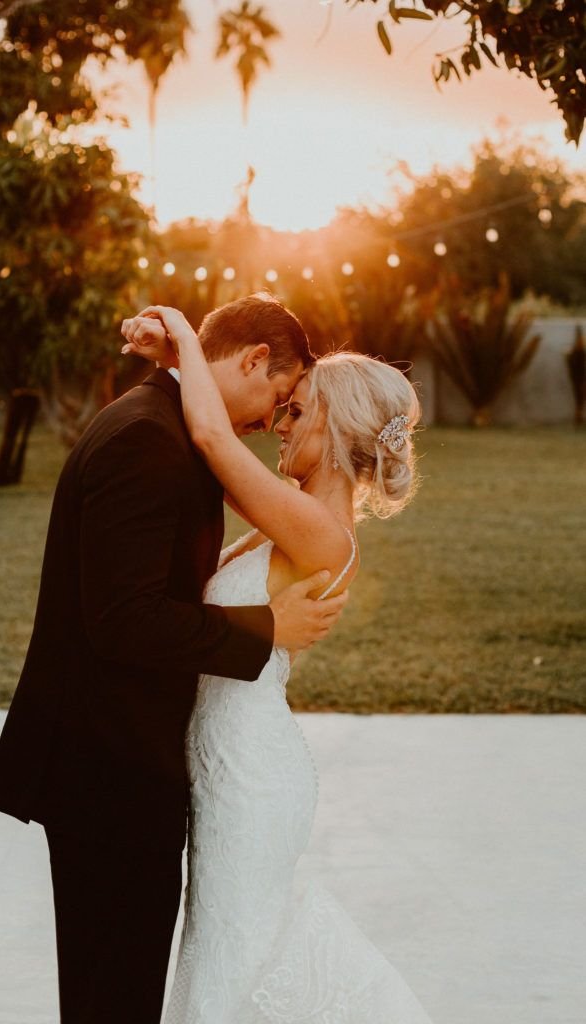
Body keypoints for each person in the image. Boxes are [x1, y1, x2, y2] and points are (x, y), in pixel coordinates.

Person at [0, 294, 349, 1024]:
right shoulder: (145, 438)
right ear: (250, 361)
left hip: (130, 762)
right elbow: (121, 620)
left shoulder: (163, 424)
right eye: (276, 398)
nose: (268, 422)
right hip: (108, 766)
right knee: (113, 994)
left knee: (116, 987)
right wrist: (263, 629)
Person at [121, 304, 433, 1024]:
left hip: (251, 779)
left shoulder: (323, 533)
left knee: (236, 951)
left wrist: (180, 339)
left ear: (332, 428)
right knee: (228, 945)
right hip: (230, 766)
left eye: (295, 413)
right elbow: (213, 451)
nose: (278, 427)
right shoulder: (294, 510)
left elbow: (207, 435)